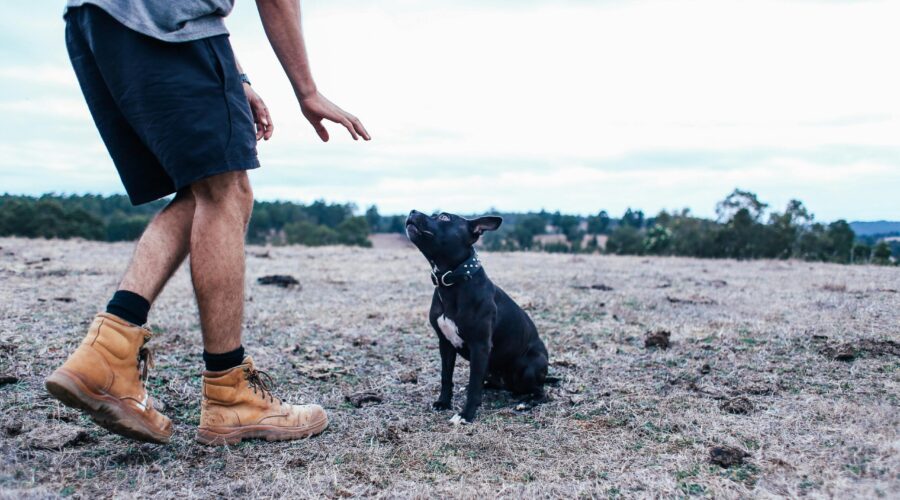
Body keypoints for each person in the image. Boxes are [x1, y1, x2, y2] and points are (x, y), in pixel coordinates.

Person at [44, 0, 369, 446]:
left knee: (205, 188)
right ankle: (229, 394)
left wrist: (237, 78)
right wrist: (307, 90)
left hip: (97, 22)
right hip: (165, 23)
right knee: (227, 190)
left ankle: (108, 352)